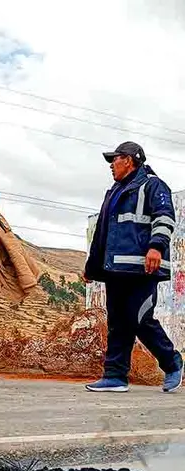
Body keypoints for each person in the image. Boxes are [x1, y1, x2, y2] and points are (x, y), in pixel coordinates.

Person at [84, 141, 182, 393]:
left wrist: (156, 246)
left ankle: (172, 362)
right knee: (118, 321)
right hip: (115, 270)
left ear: (129, 160)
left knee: (139, 318)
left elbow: (164, 217)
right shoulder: (114, 192)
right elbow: (102, 234)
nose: (111, 165)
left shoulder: (152, 185)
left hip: (143, 268)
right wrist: (92, 266)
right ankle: (115, 376)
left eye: (114, 159)